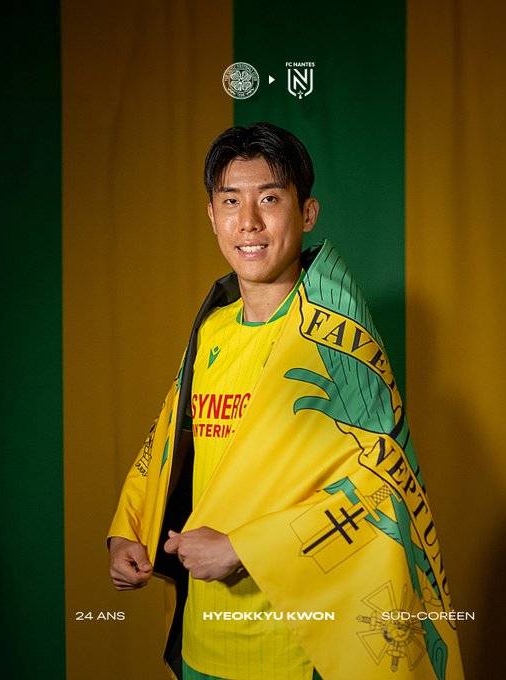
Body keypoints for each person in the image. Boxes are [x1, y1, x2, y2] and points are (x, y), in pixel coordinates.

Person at [108, 122, 463, 680]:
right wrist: (128, 528)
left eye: (270, 199)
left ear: (308, 213)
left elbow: (383, 486)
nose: (248, 222)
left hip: (300, 644)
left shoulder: (337, 340)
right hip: (205, 636)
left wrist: (243, 548)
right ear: (212, 216)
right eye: (231, 201)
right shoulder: (213, 329)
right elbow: (170, 440)